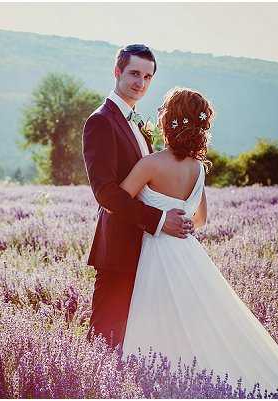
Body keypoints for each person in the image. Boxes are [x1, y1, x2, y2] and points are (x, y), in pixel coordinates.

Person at [119, 87, 278, 398]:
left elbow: (117, 201)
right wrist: (180, 219)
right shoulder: (198, 168)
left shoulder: (150, 164)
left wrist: (158, 221)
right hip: (188, 253)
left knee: (159, 328)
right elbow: (200, 220)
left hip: (158, 254)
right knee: (201, 326)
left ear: (167, 122)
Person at [82, 44, 194, 349]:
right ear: (117, 72)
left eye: (147, 77)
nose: (140, 82)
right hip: (119, 248)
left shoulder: (137, 122)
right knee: (105, 337)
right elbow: (105, 193)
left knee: (138, 341)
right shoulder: (101, 121)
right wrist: (160, 220)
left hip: (150, 251)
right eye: (133, 73)